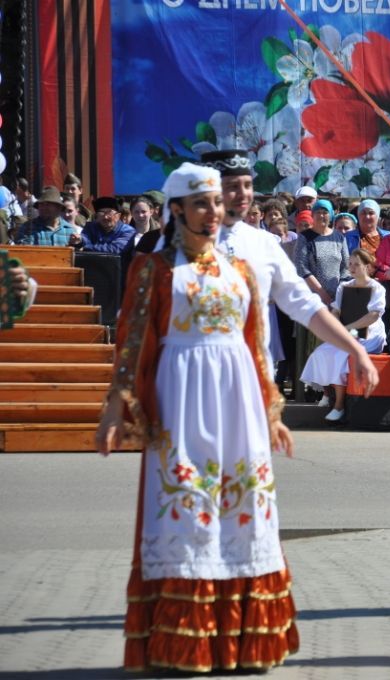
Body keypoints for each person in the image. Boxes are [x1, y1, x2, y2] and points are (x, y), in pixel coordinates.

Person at [94, 163, 299, 672]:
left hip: (240, 407)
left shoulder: (241, 272)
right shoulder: (155, 269)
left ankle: (248, 642)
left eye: (216, 203)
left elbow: (254, 348)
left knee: (245, 514)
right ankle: (183, 645)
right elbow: (132, 341)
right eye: (201, 203)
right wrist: (114, 409)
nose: (213, 212)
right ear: (177, 210)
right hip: (181, 402)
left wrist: (272, 413)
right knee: (187, 513)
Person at [198, 149, 379, 394]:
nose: (242, 194)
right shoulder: (183, 245)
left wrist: (355, 349)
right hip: (197, 369)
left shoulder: (263, 243)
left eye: (247, 185)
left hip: (247, 368)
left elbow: (304, 304)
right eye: (231, 186)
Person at [300, 249, 386, 421]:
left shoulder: (377, 288)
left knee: (340, 355)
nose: (352, 268)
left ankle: (339, 406)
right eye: (350, 264)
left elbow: (374, 315)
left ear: (367, 267)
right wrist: (337, 326)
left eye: (357, 264)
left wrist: (348, 328)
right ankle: (327, 392)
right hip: (347, 330)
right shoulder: (344, 286)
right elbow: (336, 310)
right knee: (321, 352)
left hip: (370, 333)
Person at [294, 199, 350, 307]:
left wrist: (339, 291)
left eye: (325, 212)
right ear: (312, 215)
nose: (321, 215)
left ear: (331, 215)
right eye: (318, 212)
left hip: (337, 298)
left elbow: (346, 266)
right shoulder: (305, 237)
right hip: (312, 296)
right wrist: (321, 292)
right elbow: (301, 267)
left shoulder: (339, 237)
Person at [14, 187, 79, 246]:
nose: (43, 208)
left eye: (48, 204)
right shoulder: (27, 228)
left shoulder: (69, 230)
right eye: (41, 204)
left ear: (59, 207)